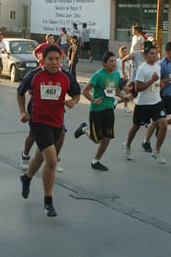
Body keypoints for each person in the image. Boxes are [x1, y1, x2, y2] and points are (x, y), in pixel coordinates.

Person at [18, 46, 80, 217]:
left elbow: (76, 94)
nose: (54, 62)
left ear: (61, 60)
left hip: (56, 122)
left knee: (39, 155)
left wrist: (73, 102)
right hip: (38, 121)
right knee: (51, 161)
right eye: (50, 59)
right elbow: (20, 91)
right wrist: (23, 111)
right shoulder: (35, 75)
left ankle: (27, 178)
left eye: (57, 59)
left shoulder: (66, 77)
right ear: (43, 60)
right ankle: (48, 201)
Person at [74, 51, 129, 171]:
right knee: (96, 139)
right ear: (104, 64)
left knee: (107, 137)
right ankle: (84, 129)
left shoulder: (115, 74)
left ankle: (96, 161)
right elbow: (84, 91)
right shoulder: (98, 75)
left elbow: (115, 90)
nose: (114, 63)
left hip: (109, 110)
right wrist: (94, 100)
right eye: (111, 61)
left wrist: (122, 97)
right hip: (97, 111)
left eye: (115, 61)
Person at [122, 44, 167, 164]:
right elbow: (138, 88)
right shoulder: (143, 69)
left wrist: (160, 84)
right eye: (151, 53)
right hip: (143, 104)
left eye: (156, 53)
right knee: (136, 127)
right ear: (146, 55)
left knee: (163, 124)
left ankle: (156, 151)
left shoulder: (158, 67)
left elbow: (157, 82)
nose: (154, 55)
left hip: (156, 102)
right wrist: (152, 80)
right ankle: (127, 145)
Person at [142, 42, 171, 153]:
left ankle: (162, 125)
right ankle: (145, 141)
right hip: (161, 96)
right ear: (167, 52)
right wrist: (169, 80)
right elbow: (156, 81)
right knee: (155, 121)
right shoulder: (161, 65)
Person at [116, 46, 133, 113]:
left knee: (117, 93)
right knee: (128, 91)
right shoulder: (117, 61)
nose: (125, 53)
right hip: (119, 78)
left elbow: (131, 70)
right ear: (120, 52)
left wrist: (130, 79)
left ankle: (116, 102)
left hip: (126, 79)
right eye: (124, 51)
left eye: (126, 51)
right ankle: (124, 106)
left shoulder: (129, 61)